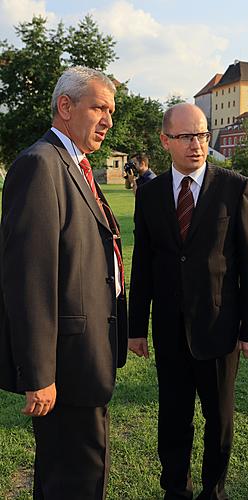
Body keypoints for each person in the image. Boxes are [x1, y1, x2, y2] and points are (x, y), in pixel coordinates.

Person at [0, 66, 128, 500]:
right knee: (71, 480)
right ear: (65, 107)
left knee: (80, 474)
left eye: (111, 110)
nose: (109, 120)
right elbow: (29, 279)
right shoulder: (40, 164)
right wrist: (39, 372)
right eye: (99, 107)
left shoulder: (75, 165)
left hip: (88, 357)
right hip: (65, 365)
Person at [128, 103, 248, 500]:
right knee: (173, 417)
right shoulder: (150, 194)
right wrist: (137, 328)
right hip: (169, 329)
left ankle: (213, 491)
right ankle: (176, 490)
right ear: (165, 140)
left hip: (219, 329)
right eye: (187, 136)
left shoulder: (235, 187)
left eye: (203, 135)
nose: (197, 145)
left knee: (218, 419)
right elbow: (145, 264)